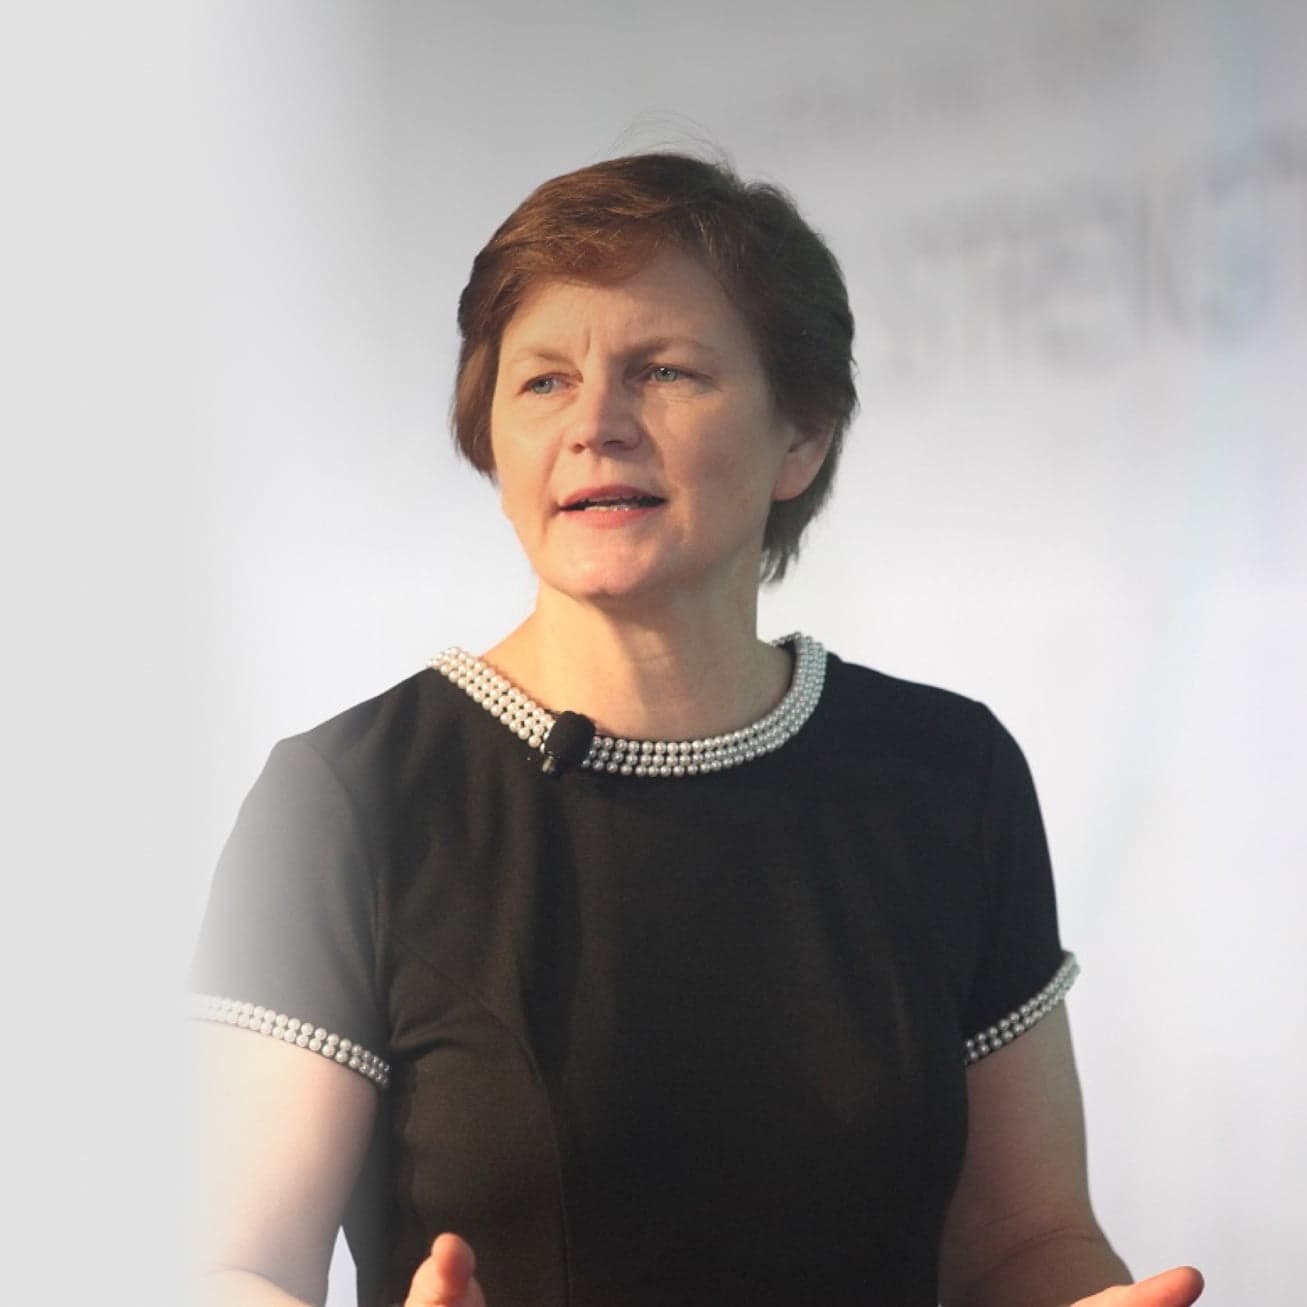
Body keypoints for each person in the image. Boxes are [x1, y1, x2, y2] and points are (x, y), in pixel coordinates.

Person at [189, 152, 1203, 1307]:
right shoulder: (348, 796)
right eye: (543, 381)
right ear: (492, 441)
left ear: (799, 437)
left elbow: (1025, 1240)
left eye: (662, 371)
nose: (595, 425)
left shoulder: (946, 772)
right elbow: (233, 1261)